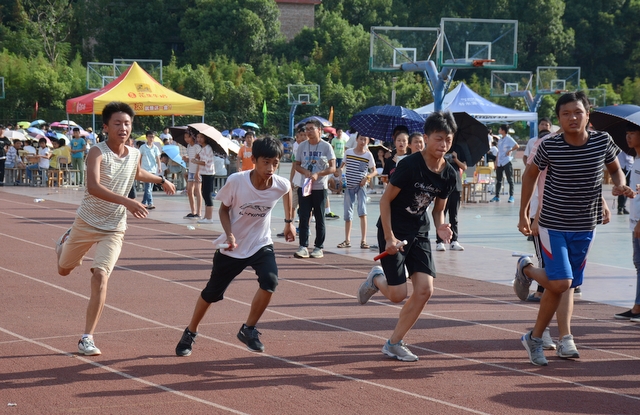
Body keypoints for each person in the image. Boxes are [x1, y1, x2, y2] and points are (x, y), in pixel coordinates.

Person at [515, 91, 634, 366]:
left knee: (566, 285)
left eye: (578, 112)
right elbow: (530, 176)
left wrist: (619, 184)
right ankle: (526, 268)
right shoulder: (550, 145)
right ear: (558, 118)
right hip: (553, 224)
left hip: (585, 225)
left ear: (587, 115)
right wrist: (523, 214)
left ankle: (550, 338)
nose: (572, 118)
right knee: (561, 282)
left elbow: (615, 169)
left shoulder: (602, 141)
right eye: (566, 113)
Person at [55, 101, 176, 356]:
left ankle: (87, 337)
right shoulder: (96, 152)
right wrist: (128, 201)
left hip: (114, 228)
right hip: (86, 223)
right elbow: (93, 187)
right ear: (106, 127)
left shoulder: (134, 153)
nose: (123, 128)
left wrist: (161, 179)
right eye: (118, 123)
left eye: (127, 123)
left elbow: (138, 172)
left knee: (101, 275)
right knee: (63, 270)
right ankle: (63, 245)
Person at [175, 137, 295, 356]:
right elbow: (223, 209)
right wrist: (229, 234)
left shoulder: (279, 184)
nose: (270, 168)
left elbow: (288, 191)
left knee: (270, 281)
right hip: (233, 246)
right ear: (254, 160)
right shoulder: (237, 181)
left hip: (260, 244)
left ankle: (248, 329)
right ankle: (190, 332)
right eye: (266, 162)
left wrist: (289, 222)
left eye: (275, 163)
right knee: (211, 293)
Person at [357, 111, 458, 362]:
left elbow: (438, 210)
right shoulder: (410, 165)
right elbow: (385, 201)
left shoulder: (449, 174)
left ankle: (394, 343)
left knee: (425, 290)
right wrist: (389, 237)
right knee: (397, 295)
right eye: (438, 138)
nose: (443, 144)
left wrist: (441, 227)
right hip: (393, 229)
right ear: (426, 138)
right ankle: (376, 279)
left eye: (448, 139)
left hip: (419, 231)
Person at [293, 118, 336, 258]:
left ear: (319, 130)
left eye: (312, 129)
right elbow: (297, 164)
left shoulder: (326, 146)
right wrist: (305, 172)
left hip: (319, 187)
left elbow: (333, 168)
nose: (309, 131)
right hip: (305, 186)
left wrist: (318, 174)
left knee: (319, 217)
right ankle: (303, 246)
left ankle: (318, 247)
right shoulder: (302, 146)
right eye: (307, 129)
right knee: (304, 216)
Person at [615, 123, 640, 321]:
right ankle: (637, 306)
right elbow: (636, 193)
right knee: (638, 263)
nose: (628, 137)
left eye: (632, 133)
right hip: (634, 220)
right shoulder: (635, 160)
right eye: (627, 134)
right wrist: (626, 191)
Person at [337, 134, 377, 249]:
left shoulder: (368, 155)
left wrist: (367, 178)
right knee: (348, 213)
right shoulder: (349, 152)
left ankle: (363, 240)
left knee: (362, 211)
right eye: (361, 139)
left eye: (365, 140)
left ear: (368, 141)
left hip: (361, 186)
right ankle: (347, 240)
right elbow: (341, 167)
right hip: (349, 185)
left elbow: (374, 171)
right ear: (356, 139)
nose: (363, 142)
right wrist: (341, 176)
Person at [435, 148, 466, 252]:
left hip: (456, 187)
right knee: (441, 214)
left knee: (454, 216)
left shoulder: (459, 150)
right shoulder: (441, 148)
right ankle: (440, 241)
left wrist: (455, 159)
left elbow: (464, 167)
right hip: (442, 186)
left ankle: (454, 241)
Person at [490, 124, 519, 203]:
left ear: (503, 130)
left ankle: (511, 196)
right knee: (498, 179)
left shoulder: (509, 138)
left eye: (500, 129)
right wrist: (496, 162)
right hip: (500, 161)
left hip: (506, 161)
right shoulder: (500, 140)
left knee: (510, 179)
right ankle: (497, 196)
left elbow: (517, 146)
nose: (499, 130)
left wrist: (510, 150)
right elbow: (499, 152)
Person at [192, 132, 216, 224]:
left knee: (207, 194)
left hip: (208, 173)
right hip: (205, 173)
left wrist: (195, 161)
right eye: (198, 137)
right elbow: (202, 159)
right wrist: (198, 157)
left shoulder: (208, 148)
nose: (199, 139)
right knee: (205, 194)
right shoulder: (203, 148)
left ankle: (209, 217)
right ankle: (206, 216)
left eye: (201, 137)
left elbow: (204, 162)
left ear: (205, 138)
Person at [181, 131, 203, 219]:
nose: (186, 139)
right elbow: (191, 158)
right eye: (185, 137)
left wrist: (197, 172)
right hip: (191, 170)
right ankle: (193, 211)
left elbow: (200, 160)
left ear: (192, 137)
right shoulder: (189, 146)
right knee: (189, 191)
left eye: (188, 137)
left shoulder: (197, 147)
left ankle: (199, 212)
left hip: (198, 170)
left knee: (198, 191)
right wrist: (186, 158)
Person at [139, 131, 162, 209]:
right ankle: (150, 203)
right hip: (145, 169)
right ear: (146, 137)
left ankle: (143, 202)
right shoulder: (143, 147)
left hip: (153, 169)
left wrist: (159, 167)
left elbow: (158, 158)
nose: (151, 138)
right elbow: (139, 157)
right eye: (149, 136)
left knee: (149, 188)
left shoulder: (155, 148)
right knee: (148, 187)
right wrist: (139, 167)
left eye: (152, 137)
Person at [617, 151, 634, 215]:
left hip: (629, 166)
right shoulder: (622, 147)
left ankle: (623, 206)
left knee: (628, 187)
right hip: (622, 166)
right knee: (622, 187)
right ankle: (620, 207)